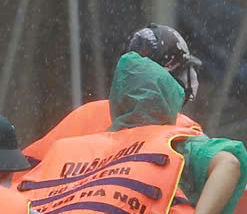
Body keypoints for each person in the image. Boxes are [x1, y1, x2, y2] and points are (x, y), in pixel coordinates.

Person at [15, 51, 247, 214]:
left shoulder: (77, 151)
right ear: (169, 99)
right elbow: (229, 163)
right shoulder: (177, 145)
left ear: (117, 103)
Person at [19, 23, 207, 171]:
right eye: (183, 72)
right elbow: (224, 169)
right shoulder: (180, 129)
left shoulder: (85, 114)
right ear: (167, 76)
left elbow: (24, 169)